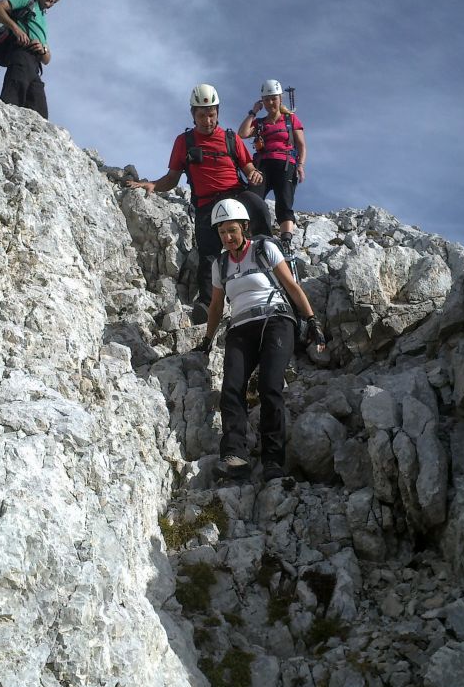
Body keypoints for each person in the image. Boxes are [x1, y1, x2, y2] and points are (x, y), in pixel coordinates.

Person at [198, 198, 326, 483]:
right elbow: (217, 306)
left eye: (232, 230)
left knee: (270, 387)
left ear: (244, 227)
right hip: (241, 327)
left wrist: (311, 319)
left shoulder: (264, 249)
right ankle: (234, 455)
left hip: (276, 322)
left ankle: (273, 462)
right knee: (231, 388)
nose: (227, 237)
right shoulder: (220, 264)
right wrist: (208, 339)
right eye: (222, 232)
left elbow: (291, 286)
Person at [127, 84, 274, 322]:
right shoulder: (184, 142)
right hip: (208, 205)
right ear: (193, 115)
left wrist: (255, 173)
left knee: (257, 206)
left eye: (212, 114)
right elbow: (172, 178)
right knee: (209, 255)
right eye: (202, 115)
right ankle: (207, 305)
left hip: (235, 196)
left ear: (218, 112)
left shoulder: (230, 138)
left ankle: (270, 261)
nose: (207, 120)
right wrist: (153, 185)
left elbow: (248, 168)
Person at [237, 79, 306, 255]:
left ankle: (286, 240)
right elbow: (242, 134)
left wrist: (300, 165)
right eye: (266, 100)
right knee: (253, 198)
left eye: (273, 99)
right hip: (263, 166)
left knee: (284, 200)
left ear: (280, 98)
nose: (270, 103)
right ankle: (257, 236)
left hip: (285, 164)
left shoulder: (290, 120)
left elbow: (301, 145)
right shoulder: (260, 123)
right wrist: (253, 112)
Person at [0, 0, 63, 119]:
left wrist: (43, 49)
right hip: (20, 54)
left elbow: (47, 60)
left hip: (35, 66)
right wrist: (16, 29)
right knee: (12, 102)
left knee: (39, 114)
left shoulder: (43, 21)